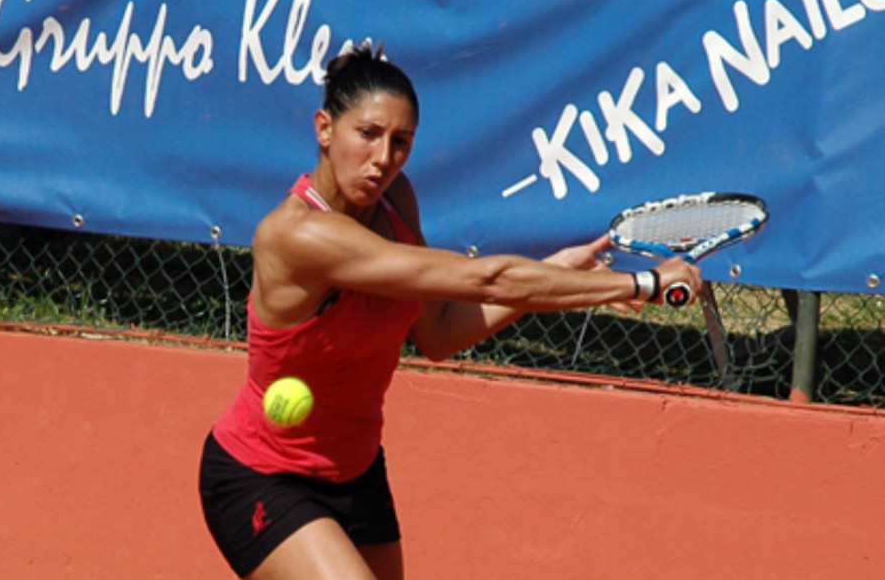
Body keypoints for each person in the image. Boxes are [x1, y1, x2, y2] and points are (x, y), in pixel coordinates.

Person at [199, 42, 701, 580]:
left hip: (356, 472)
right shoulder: (297, 235)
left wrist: (557, 269)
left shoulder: (395, 200)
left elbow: (438, 334)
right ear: (325, 129)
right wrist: (642, 283)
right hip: (263, 475)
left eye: (401, 142)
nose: (383, 158)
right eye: (367, 134)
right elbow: (485, 278)